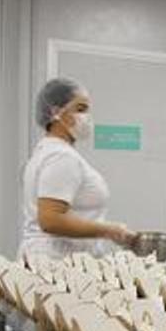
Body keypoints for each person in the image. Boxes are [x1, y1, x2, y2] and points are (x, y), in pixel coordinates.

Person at [19, 78, 135, 260]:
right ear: (56, 112)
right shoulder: (61, 157)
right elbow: (50, 219)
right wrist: (110, 231)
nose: (87, 117)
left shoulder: (46, 151)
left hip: (47, 257)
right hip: (57, 260)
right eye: (80, 109)